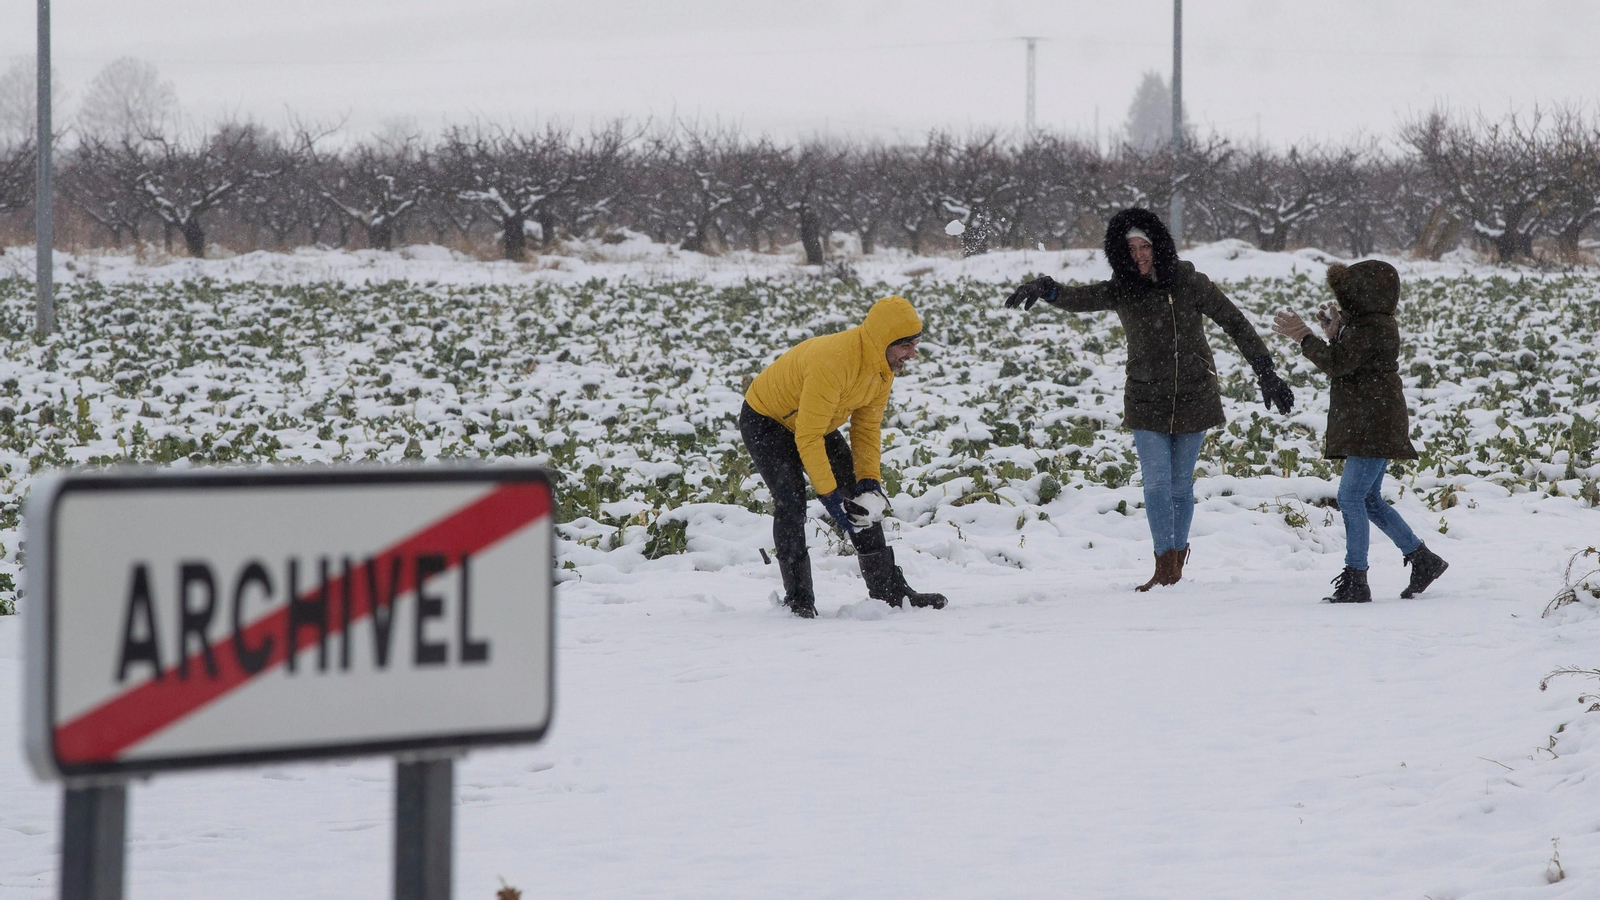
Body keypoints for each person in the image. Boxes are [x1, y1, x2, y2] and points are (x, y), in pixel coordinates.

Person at [1005, 207, 1295, 591]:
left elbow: (1235, 322)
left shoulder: (1190, 282)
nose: (1139, 255)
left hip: (1195, 394)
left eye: (1146, 246)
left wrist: (1266, 371)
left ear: (1160, 246)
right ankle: (1162, 566)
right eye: (1131, 249)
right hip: (1145, 396)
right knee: (1157, 486)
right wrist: (1049, 289)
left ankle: (1175, 564)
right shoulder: (1121, 288)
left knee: (1179, 486)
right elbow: (1081, 298)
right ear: (1119, 253)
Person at [740, 295, 948, 618]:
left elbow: (866, 429)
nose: (912, 354)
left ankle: (889, 592)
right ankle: (798, 599)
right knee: (792, 499)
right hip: (766, 419)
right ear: (884, 340)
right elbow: (807, 438)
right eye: (906, 345)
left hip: (812, 421)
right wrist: (830, 498)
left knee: (858, 495)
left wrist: (870, 482)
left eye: (915, 344)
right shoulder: (835, 362)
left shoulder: (882, 370)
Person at [1271, 260, 1449, 603]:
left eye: (1349, 293)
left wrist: (1305, 337)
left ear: (1364, 294)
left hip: (1374, 423)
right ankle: (1423, 560)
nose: (1344, 299)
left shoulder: (1374, 327)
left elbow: (1338, 364)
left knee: (1351, 496)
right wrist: (1336, 333)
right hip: (1374, 420)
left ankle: (1356, 577)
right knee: (1367, 498)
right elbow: (1350, 358)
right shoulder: (1370, 324)